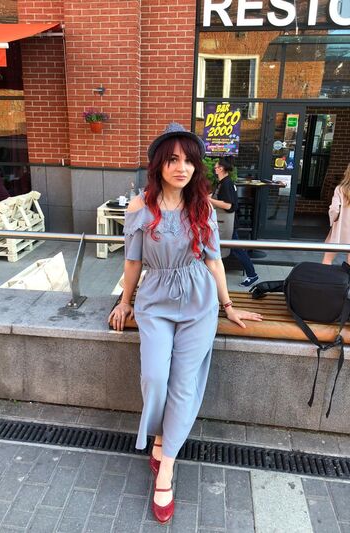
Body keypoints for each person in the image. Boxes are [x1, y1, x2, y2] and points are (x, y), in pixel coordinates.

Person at [108, 123, 262, 525]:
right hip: (155, 300)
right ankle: (161, 436)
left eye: (189, 160)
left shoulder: (203, 207)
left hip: (198, 301)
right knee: (155, 377)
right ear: (159, 165)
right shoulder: (140, 208)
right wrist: (125, 301)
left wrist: (228, 305)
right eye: (173, 160)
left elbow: (214, 261)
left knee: (184, 383)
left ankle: (167, 466)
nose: (182, 168)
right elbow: (132, 263)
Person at [209, 157, 259, 287]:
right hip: (225, 222)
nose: (214, 168)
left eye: (216, 166)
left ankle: (252, 274)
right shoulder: (223, 182)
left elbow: (228, 205)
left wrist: (208, 200)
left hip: (227, 223)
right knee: (233, 248)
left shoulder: (226, 184)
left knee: (236, 249)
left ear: (221, 169)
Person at [323, 163, 350, 265]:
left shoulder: (340, 189)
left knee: (328, 258)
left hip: (340, 228)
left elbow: (334, 209)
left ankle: (325, 276)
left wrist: (333, 222)